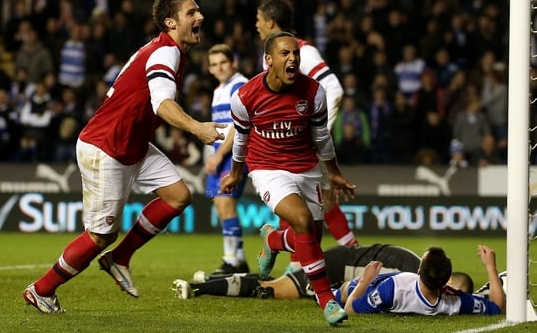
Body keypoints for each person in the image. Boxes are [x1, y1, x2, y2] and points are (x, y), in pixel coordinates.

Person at [23, 0, 225, 314]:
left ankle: (120, 258)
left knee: (178, 195)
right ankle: (41, 289)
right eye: (192, 12)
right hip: (108, 147)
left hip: (131, 143)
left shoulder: (169, 50)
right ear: (171, 23)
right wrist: (196, 127)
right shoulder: (166, 53)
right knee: (101, 235)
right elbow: (161, 104)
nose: (200, 16)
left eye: (198, 10)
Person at [219, 31, 356, 326]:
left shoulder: (314, 92)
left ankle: (274, 239)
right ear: (268, 60)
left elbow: (322, 136)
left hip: (306, 168)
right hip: (267, 169)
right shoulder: (245, 97)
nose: (293, 57)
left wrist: (333, 173)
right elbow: (241, 140)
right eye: (285, 53)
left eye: (295, 53)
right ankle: (327, 300)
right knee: (303, 221)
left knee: (312, 240)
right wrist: (236, 173)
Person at [255, 0, 358, 276]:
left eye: (259, 20)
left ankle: (301, 261)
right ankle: (303, 266)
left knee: (317, 206)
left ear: (272, 22)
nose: (256, 25)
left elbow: (334, 89)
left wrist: (315, 133)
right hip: (285, 144)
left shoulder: (303, 51)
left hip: (305, 143)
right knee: (303, 204)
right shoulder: (272, 56)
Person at [171, 243, 422, 300]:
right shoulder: (412, 276)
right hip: (334, 267)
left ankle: (209, 280)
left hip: (341, 261)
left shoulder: (415, 262)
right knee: (272, 290)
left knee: (277, 282)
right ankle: (199, 289)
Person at [341, 245, 504, 315]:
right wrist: (491, 266)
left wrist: (366, 280)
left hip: (359, 289)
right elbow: (497, 307)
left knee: (337, 294)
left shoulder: (393, 288)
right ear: (446, 280)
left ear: (418, 272)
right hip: (376, 291)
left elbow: (350, 309)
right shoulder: (456, 300)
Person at [204, 43, 250, 274]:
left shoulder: (239, 86)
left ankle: (231, 261)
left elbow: (238, 126)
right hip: (220, 155)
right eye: (214, 64)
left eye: (223, 62)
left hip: (234, 155)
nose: (219, 68)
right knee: (221, 206)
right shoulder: (219, 90)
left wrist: (220, 155)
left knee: (225, 202)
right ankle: (238, 258)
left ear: (233, 63)